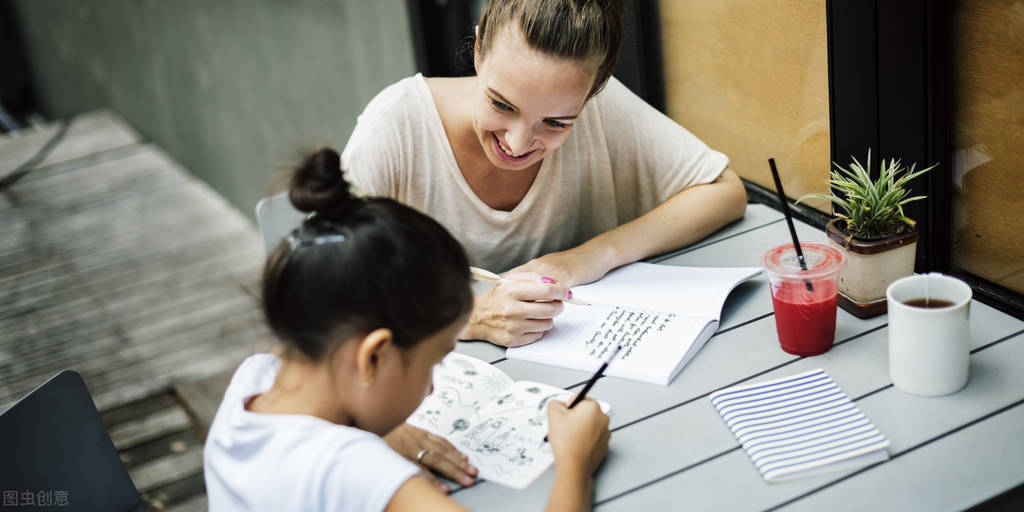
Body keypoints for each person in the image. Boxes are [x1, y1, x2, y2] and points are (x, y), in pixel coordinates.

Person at [204, 148, 611, 511]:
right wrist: (575, 462)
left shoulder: (254, 379)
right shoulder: (350, 468)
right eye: (432, 363)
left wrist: (375, 430)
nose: (431, 390)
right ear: (372, 357)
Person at [342, 0, 748, 348]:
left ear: (593, 92)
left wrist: (593, 256)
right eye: (502, 105)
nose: (517, 144)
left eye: (555, 123)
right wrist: (469, 317)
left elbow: (723, 189)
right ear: (479, 49)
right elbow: (327, 288)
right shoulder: (398, 125)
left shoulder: (600, 108)